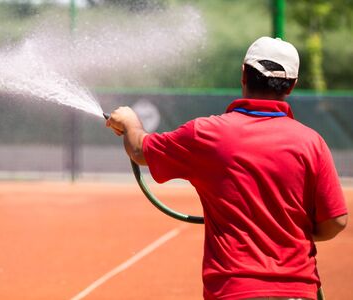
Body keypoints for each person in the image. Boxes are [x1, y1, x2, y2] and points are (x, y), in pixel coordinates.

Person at [106, 36, 348, 300]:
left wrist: (130, 123)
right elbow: (335, 221)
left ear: (244, 74)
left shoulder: (206, 134)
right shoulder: (312, 143)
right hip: (298, 291)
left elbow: (140, 150)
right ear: (291, 86)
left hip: (232, 291)